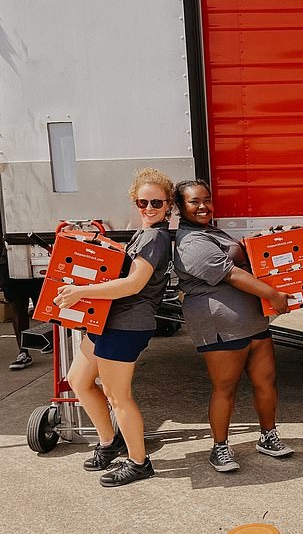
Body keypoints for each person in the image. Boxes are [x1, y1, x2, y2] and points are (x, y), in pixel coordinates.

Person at [53, 168, 174, 486]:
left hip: (127, 324)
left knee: (118, 396)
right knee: (78, 380)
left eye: (156, 203)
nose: (148, 208)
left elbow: (134, 284)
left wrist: (80, 292)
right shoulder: (143, 233)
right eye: (142, 202)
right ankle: (110, 442)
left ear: (168, 205)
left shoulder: (155, 237)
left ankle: (139, 462)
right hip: (107, 320)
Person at [173, 180, 294, 472]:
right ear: (180, 207)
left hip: (252, 320)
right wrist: (274, 295)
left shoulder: (210, 231)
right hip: (219, 326)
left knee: (266, 382)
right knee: (225, 388)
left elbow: (237, 255)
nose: (203, 206)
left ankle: (268, 436)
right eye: (194, 202)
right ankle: (220, 448)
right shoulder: (190, 242)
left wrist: (260, 240)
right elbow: (231, 274)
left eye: (206, 199)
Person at [0, 217, 46, 370]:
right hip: (8, 260)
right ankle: (23, 351)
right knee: (18, 307)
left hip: (33, 252)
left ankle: (48, 339)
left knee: (44, 304)